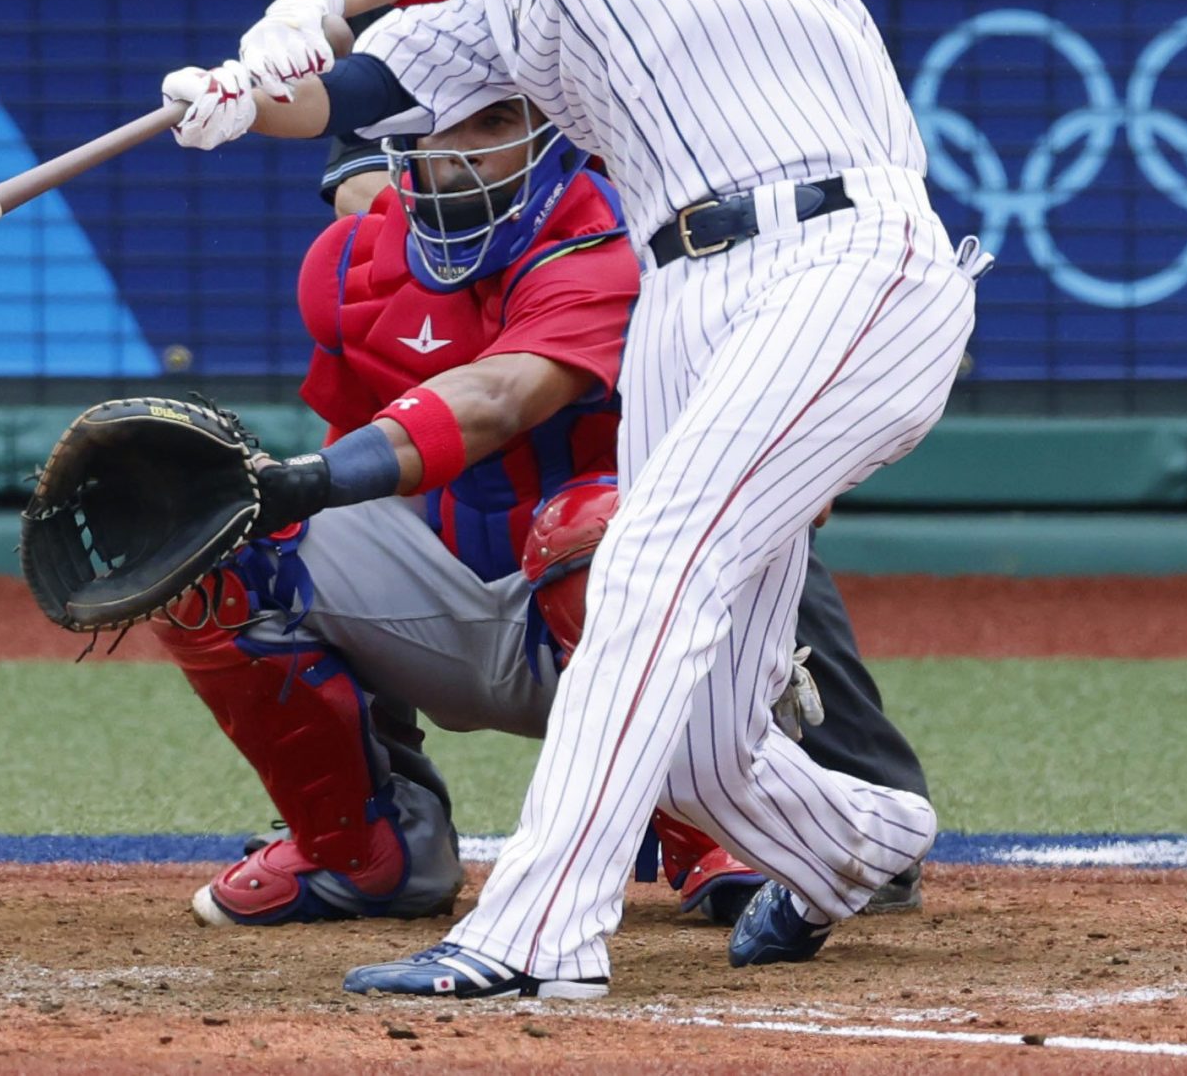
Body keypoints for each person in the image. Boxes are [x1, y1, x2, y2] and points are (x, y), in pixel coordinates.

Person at [161, 0, 991, 996]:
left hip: (844, 245)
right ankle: (855, 838)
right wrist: (244, 93)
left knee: (653, 558)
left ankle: (538, 925)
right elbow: (378, 85)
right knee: (710, 739)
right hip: (688, 294)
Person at [159, 90, 926, 931]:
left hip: (613, 595)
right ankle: (365, 849)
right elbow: (359, 471)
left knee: (598, 526)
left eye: (490, 124)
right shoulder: (349, 263)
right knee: (214, 540)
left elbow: (497, 398)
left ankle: (715, 827)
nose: (455, 150)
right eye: (436, 127)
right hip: (452, 599)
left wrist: (300, 476)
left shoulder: (632, 240)